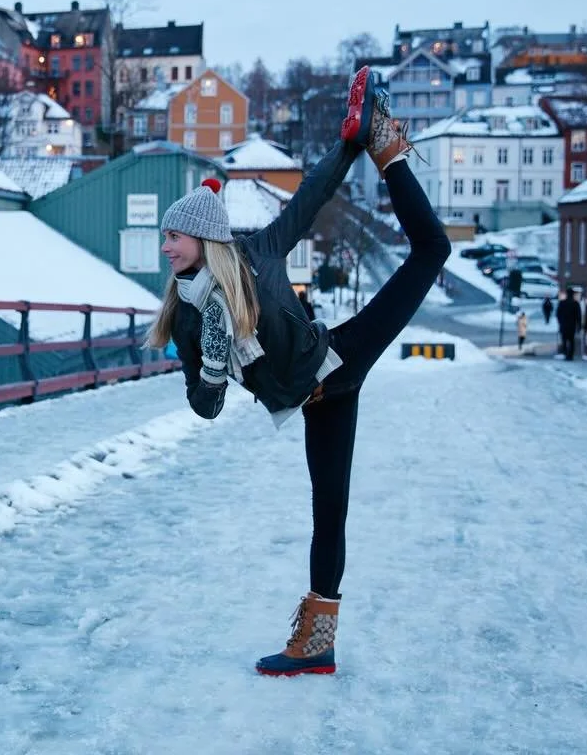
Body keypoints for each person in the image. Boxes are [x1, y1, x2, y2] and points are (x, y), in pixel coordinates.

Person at [147, 68, 449, 678]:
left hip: (340, 357)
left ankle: (385, 144)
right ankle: (318, 643)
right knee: (328, 510)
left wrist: (353, 139)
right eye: (163, 238)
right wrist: (209, 370)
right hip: (314, 403)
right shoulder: (183, 317)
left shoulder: (258, 254)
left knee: (433, 249)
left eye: (173, 236)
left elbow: (313, 194)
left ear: (203, 237)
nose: (165, 248)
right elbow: (204, 409)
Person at [557, 288, 582, 361]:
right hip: (572, 324)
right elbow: (578, 316)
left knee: (564, 339)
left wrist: (560, 321)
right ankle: (570, 355)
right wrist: (579, 326)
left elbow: (558, 314)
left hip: (564, 324)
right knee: (571, 340)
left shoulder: (562, 303)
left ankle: (565, 353)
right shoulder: (575, 303)